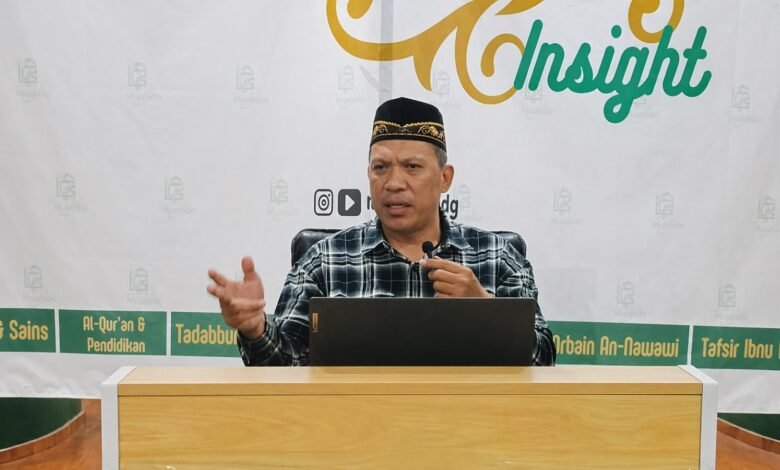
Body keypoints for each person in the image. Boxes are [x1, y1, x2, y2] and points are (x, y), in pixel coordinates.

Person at [207, 97, 556, 366]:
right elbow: (285, 367)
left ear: (445, 178)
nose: (393, 183)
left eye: (412, 167)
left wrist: (485, 312)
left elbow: (543, 362)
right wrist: (254, 329)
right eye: (381, 168)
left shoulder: (498, 257)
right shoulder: (324, 261)